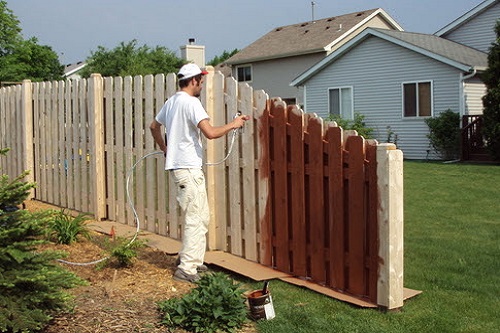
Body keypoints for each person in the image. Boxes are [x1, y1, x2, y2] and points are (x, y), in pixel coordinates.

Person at [149, 63, 249, 283]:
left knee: (199, 216)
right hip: (188, 169)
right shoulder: (191, 103)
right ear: (193, 80)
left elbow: (153, 127)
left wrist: (166, 149)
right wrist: (234, 124)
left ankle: (192, 260)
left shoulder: (171, 102)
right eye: (201, 81)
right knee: (196, 218)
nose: (202, 85)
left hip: (180, 168)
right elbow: (211, 133)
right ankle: (186, 269)